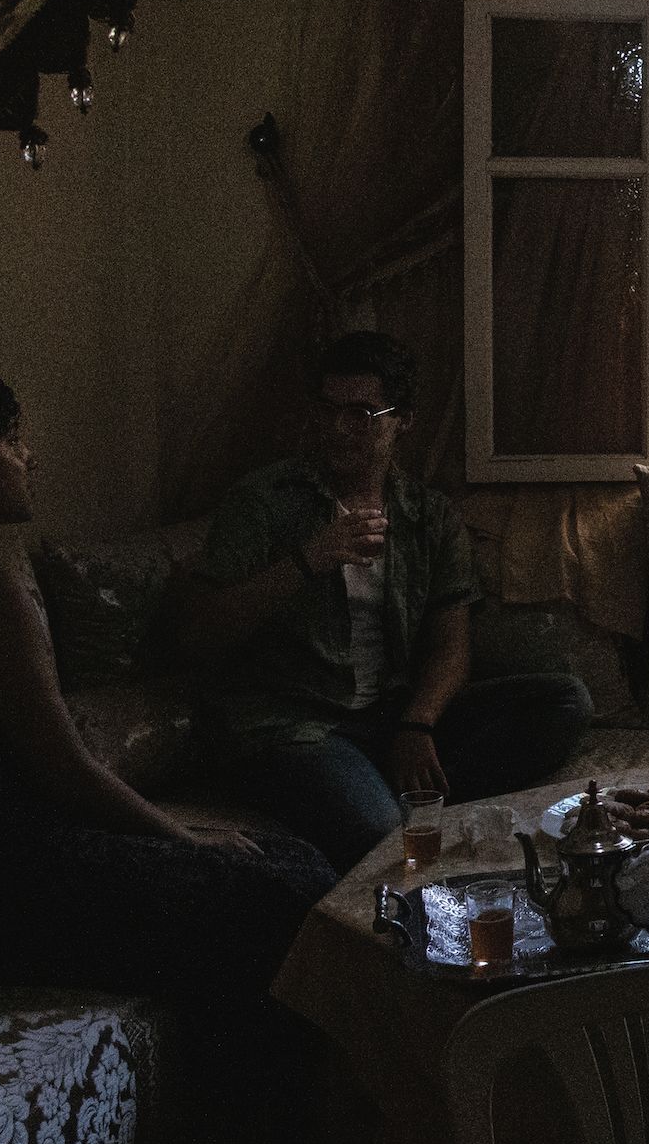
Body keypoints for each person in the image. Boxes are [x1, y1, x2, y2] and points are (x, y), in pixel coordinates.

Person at [0, 371, 334, 1144]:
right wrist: (181, 835)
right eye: (12, 438)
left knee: (276, 864)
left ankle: (240, 1123)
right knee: (288, 885)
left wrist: (170, 828)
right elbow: (64, 768)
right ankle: (272, 1136)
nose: (30, 455)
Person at [182, 331, 592, 871]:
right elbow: (200, 631)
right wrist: (310, 558)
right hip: (298, 724)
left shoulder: (427, 515)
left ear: (403, 422)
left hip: (389, 716)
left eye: (361, 415)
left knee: (564, 701)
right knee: (385, 839)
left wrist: (417, 724)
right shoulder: (264, 501)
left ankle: (401, 794)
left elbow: (452, 648)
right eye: (327, 411)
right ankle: (382, 808)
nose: (337, 429)